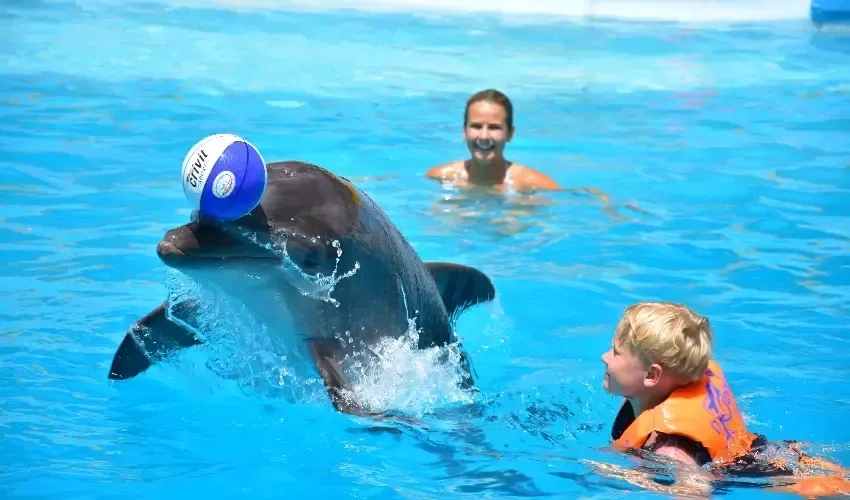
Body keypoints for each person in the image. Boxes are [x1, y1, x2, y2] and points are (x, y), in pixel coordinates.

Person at [597, 301, 850, 498]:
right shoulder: (645, 396)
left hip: (757, 472)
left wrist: (626, 476)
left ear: (652, 375)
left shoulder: (671, 449)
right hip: (767, 450)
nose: (604, 357)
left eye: (616, 352)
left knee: (833, 491)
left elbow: (695, 492)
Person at [425, 89, 563, 193]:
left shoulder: (532, 184)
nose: (484, 136)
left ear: (510, 133)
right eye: (476, 126)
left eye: (494, 127)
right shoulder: (439, 177)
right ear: (464, 131)